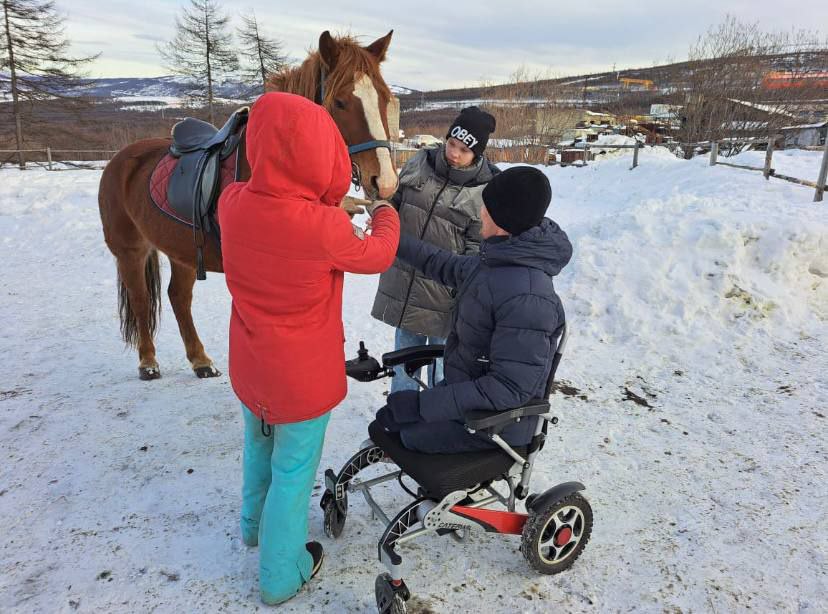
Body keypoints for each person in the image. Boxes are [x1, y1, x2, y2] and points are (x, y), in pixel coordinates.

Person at [217, 92, 399, 604]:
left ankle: (252, 528)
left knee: (258, 447)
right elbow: (379, 253)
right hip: (301, 381)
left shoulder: (232, 204)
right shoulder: (327, 227)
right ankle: (280, 574)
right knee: (293, 474)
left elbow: (276, 207)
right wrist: (384, 211)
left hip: (251, 368)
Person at [375, 166, 572, 453]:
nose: (480, 213)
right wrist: (389, 239)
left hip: (494, 425)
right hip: (469, 400)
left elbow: (508, 389)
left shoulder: (529, 297)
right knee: (386, 427)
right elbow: (440, 263)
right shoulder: (498, 261)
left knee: (402, 436)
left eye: (486, 208)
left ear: (503, 220)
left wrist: (421, 405)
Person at [371, 106, 499, 392]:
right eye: (452, 143)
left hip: (446, 299)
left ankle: (437, 428)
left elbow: (478, 250)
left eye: (464, 150)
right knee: (403, 365)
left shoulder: (485, 190)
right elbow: (395, 202)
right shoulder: (420, 162)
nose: (454, 153)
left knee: (444, 372)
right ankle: (399, 421)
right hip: (405, 282)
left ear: (477, 154)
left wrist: (461, 291)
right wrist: (380, 210)